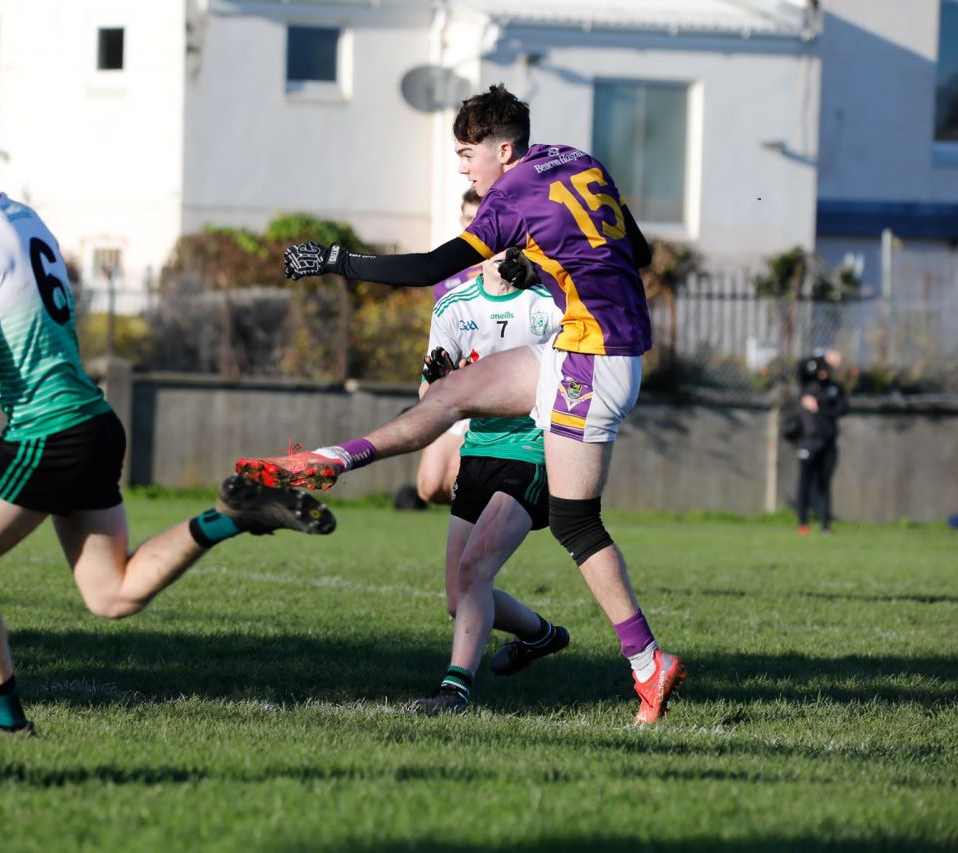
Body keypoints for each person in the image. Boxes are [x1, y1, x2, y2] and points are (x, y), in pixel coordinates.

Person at [0, 85, 337, 738]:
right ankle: (232, 514)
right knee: (110, 593)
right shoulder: (25, 218)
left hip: (45, 430)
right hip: (95, 421)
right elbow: (24, 321)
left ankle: (5, 726)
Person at [238, 84, 686, 725]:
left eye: (466, 152)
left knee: (575, 523)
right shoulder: (575, 159)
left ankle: (648, 664)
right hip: (581, 345)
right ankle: (329, 460)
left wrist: (339, 260)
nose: (462, 166)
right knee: (452, 392)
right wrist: (556, 265)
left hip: (594, 360)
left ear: (504, 150)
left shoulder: (510, 196)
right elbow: (636, 253)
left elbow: (428, 267)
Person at [409, 251, 566, 714]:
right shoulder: (453, 306)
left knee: (476, 569)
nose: (501, 250)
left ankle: (453, 690)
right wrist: (436, 382)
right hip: (477, 450)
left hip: (532, 449)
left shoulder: (547, 303)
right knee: (460, 599)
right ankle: (541, 635)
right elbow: (428, 395)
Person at [415, 188, 482, 505]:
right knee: (429, 488)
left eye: (480, 219)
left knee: (465, 482)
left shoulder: (509, 271)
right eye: (469, 219)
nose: (474, 226)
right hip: (456, 386)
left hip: (490, 392)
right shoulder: (448, 276)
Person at [794, 351, 848, 534]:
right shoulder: (806, 386)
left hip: (828, 442)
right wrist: (824, 356)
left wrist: (819, 407)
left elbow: (842, 409)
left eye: (827, 368)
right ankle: (803, 523)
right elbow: (800, 366)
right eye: (821, 367)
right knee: (804, 483)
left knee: (824, 484)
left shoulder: (834, 388)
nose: (824, 371)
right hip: (808, 441)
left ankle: (825, 524)